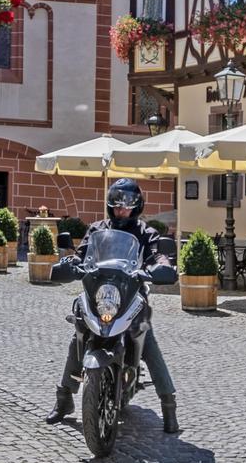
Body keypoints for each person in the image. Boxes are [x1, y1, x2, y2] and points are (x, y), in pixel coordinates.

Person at [48, 177, 180, 434]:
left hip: (130, 296)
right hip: (100, 295)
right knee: (78, 334)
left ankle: (169, 405)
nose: (121, 210)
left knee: (146, 339)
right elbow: (83, 252)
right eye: (116, 206)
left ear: (136, 206)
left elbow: (158, 252)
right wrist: (71, 261)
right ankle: (64, 399)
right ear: (110, 206)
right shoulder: (97, 229)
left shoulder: (145, 232)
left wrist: (162, 264)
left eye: (126, 206)